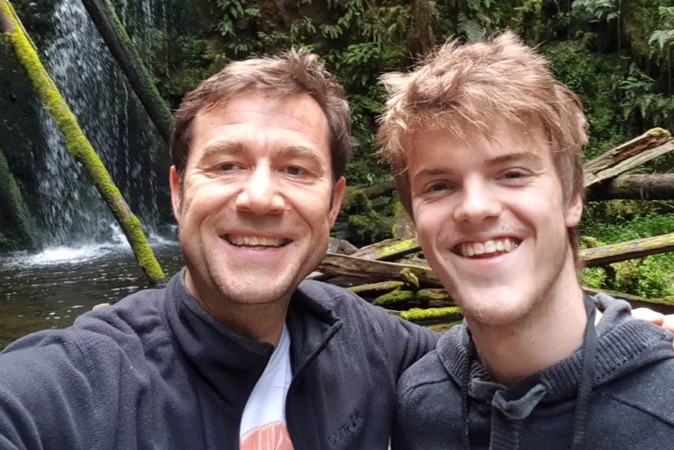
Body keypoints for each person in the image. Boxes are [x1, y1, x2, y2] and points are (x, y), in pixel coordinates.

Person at [0, 49, 439, 450]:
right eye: (227, 165)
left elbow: (486, 370)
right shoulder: (86, 378)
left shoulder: (366, 338)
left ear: (332, 205)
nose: (260, 197)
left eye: (295, 169)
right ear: (178, 193)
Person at [376, 31, 674, 449]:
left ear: (572, 198)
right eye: (440, 185)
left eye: (512, 174)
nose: (475, 208)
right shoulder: (419, 404)